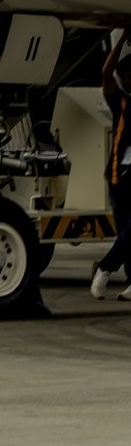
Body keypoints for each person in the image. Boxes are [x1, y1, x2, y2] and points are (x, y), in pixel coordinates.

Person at [91, 31, 131, 300]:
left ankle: (105, 268)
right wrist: (121, 39)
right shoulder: (122, 102)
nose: (121, 79)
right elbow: (106, 72)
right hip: (119, 177)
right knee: (126, 234)